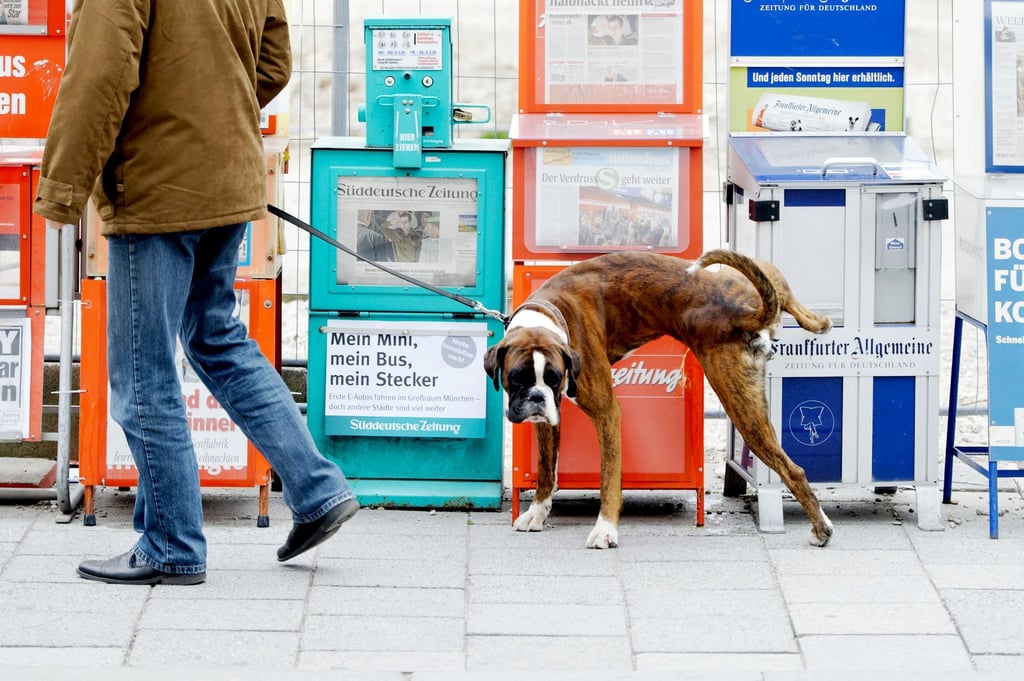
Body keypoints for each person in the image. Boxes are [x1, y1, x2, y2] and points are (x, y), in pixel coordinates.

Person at [33, 1, 357, 586]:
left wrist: (61, 187)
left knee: (143, 367)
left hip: (157, 186)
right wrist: (213, 121)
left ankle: (170, 543)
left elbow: (100, 71)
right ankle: (316, 488)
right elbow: (276, 61)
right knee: (217, 336)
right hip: (227, 175)